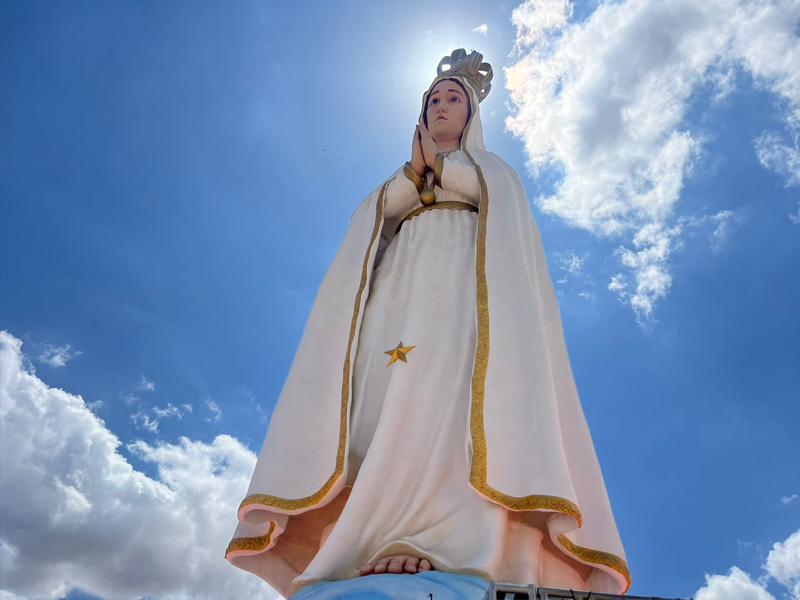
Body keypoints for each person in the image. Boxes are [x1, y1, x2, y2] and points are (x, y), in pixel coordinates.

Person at [225, 49, 631, 599]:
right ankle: (371, 537)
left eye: (453, 98)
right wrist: (412, 180)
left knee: (457, 406)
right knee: (385, 406)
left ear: (472, 114)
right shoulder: (398, 185)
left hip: (466, 301)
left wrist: (442, 169)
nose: (441, 105)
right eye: (433, 98)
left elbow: (501, 215)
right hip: (396, 301)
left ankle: (451, 543)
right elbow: (367, 234)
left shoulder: (493, 173)